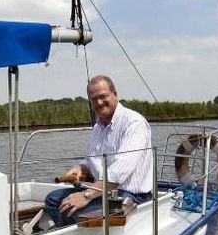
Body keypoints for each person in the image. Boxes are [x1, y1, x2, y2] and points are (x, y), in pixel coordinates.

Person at [44, 75, 153, 227]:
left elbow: (118, 173)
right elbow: (90, 160)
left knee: (78, 209)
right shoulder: (97, 127)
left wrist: (86, 195)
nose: (99, 103)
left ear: (115, 94)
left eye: (103, 96)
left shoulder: (134, 123)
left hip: (130, 195)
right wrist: (81, 168)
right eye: (94, 99)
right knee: (53, 199)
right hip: (102, 191)